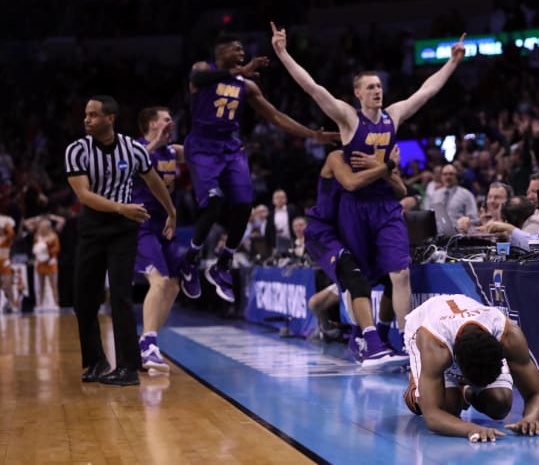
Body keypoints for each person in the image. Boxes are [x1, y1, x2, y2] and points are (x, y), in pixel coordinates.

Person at [271, 22, 466, 345]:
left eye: (379, 86)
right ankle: (364, 334)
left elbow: (426, 91)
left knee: (401, 273)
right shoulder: (348, 118)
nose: (378, 90)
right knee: (355, 278)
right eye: (370, 87)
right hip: (355, 207)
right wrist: (282, 52)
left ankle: (408, 341)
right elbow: (313, 87)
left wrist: (452, 62)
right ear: (358, 93)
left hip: (386, 205)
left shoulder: (393, 115)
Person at [180, 32, 337, 304]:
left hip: (230, 148)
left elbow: (276, 116)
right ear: (221, 51)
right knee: (215, 204)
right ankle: (189, 261)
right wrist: (238, 70)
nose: (241, 50)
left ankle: (223, 264)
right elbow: (197, 80)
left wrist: (312, 135)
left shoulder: (246, 86)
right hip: (203, 147)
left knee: (244, 205)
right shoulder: (204, 70)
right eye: (235, 47)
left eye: (243, 47)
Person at [65, 95, 177, 386]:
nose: (86, 120)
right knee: (83, 299)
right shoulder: (77, 150)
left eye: (93, 115)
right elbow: (84, 196)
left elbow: (153, 180)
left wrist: (171, 211)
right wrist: (120, 207)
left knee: (121, 296)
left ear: (110, 118)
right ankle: (98, 361)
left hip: (125, 228)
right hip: (93, 224)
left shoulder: (132, 148)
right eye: (85, 115)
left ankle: (128, 367)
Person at [305, 148, 408, 366]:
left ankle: (378, 337)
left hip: (352, 228)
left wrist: (380, 166)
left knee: (391, 278)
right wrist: (386, 166)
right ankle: (364, 340)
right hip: (324, 232)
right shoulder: (337, 157)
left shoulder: (375, 160)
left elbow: (401, 191)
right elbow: (351, 183)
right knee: (354, 279)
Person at [402, 294, 539, 440]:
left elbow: (536, 394)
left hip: (462, 325)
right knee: (448, 410)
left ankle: (466, 394)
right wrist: (472, 429)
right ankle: (416, 390)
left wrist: (531, 418)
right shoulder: (435, 346)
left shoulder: (508, 335)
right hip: (422, 326)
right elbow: (432, 416)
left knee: (500, 404)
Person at [132, 106, 185, 374]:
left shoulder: (173, 151)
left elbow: (200, 154)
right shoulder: (136, 147)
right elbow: (131, 164)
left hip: (165, 223)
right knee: (160, 280)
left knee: (174, 285)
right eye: (166, 119)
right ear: (152, 123)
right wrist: (156, 141)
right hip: (140, 223)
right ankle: (149, 345)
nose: (170, 122)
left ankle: (147, 341)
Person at [0, 214, 15, 312]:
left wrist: (6, 223)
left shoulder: (7, 238)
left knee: (7, 285)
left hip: (5, 263)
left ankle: (12, 303)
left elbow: (11, 233)